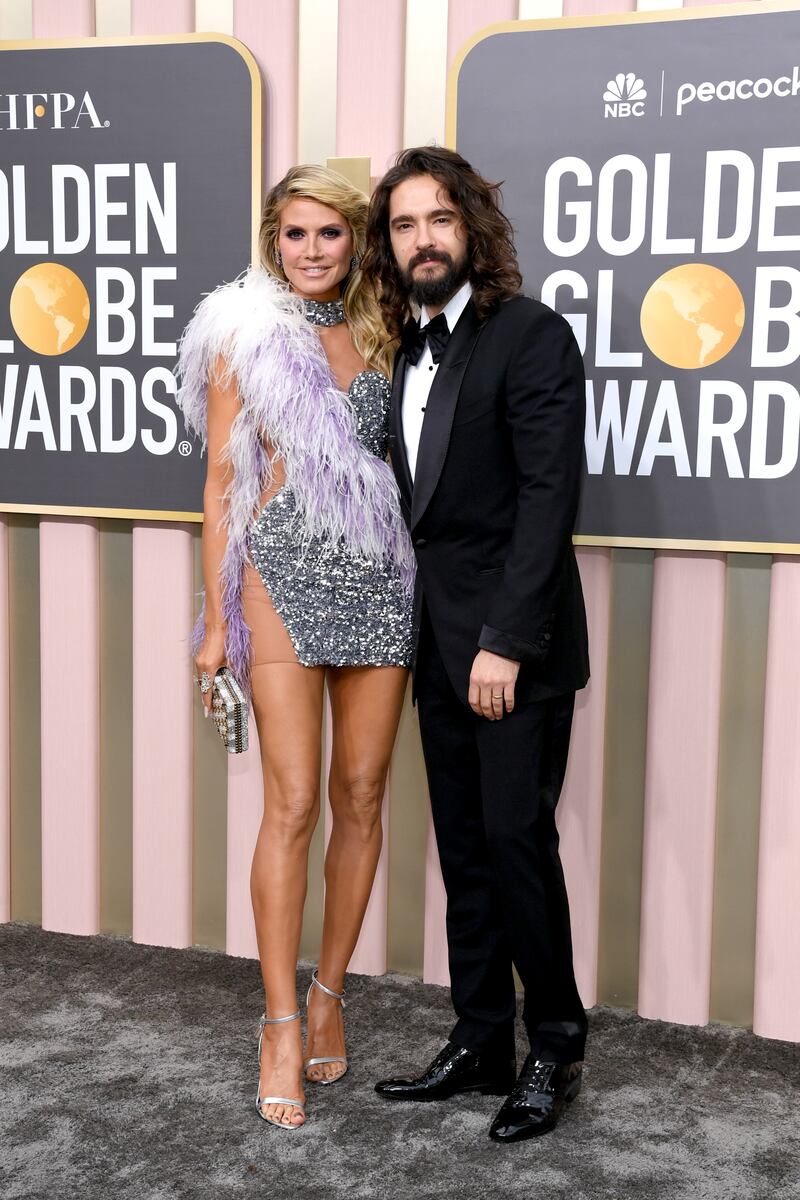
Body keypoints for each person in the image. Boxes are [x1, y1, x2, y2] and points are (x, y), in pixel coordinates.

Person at [176, 165, 414, 1131]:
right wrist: (215, 620)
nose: (312, 251)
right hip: (280, 576)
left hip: (380, 579)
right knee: (294, 801)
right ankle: (279, 1020)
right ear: (273, 240)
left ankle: (330, 994)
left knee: (362, 796)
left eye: (330, 234)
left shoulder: (389, 331)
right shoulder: (247, 337)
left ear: (356, 241)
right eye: (294, 234)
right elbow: (220, 486)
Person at [362, 146, 590, 1144]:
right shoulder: (407, 351)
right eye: (404, 225)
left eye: (438, 220)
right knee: (462, 847)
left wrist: (504, 641)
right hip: (432, 648)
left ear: (473, 231)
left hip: (509, 648)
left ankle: (553, 1046)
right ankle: (479, 1036)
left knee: (515, 844)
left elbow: (548, 500)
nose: (422, 240)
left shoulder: (529, 336)